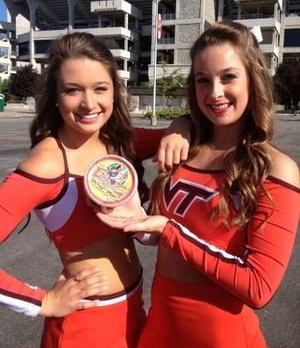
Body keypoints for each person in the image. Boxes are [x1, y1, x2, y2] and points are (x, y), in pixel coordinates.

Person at [98, 21, 300, 347]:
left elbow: (259, 286)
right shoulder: (184, 145)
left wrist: (169, 231)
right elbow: (101, 144)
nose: (215, 92)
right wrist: (137, 218)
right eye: (203, 80)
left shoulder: (276, 168)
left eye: (228, 77)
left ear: (254, 79)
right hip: (160, 326)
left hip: (220, 334)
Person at [0, 32, 189, 348]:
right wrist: (42, 301)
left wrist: (181, 128)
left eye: (100, 88)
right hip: (85, 327)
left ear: (115, 92)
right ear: (56, 96)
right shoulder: (48, 162)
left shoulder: (119, 141)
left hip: (134, 310)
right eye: (73, 90)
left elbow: (187, 129)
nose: (89, 103)